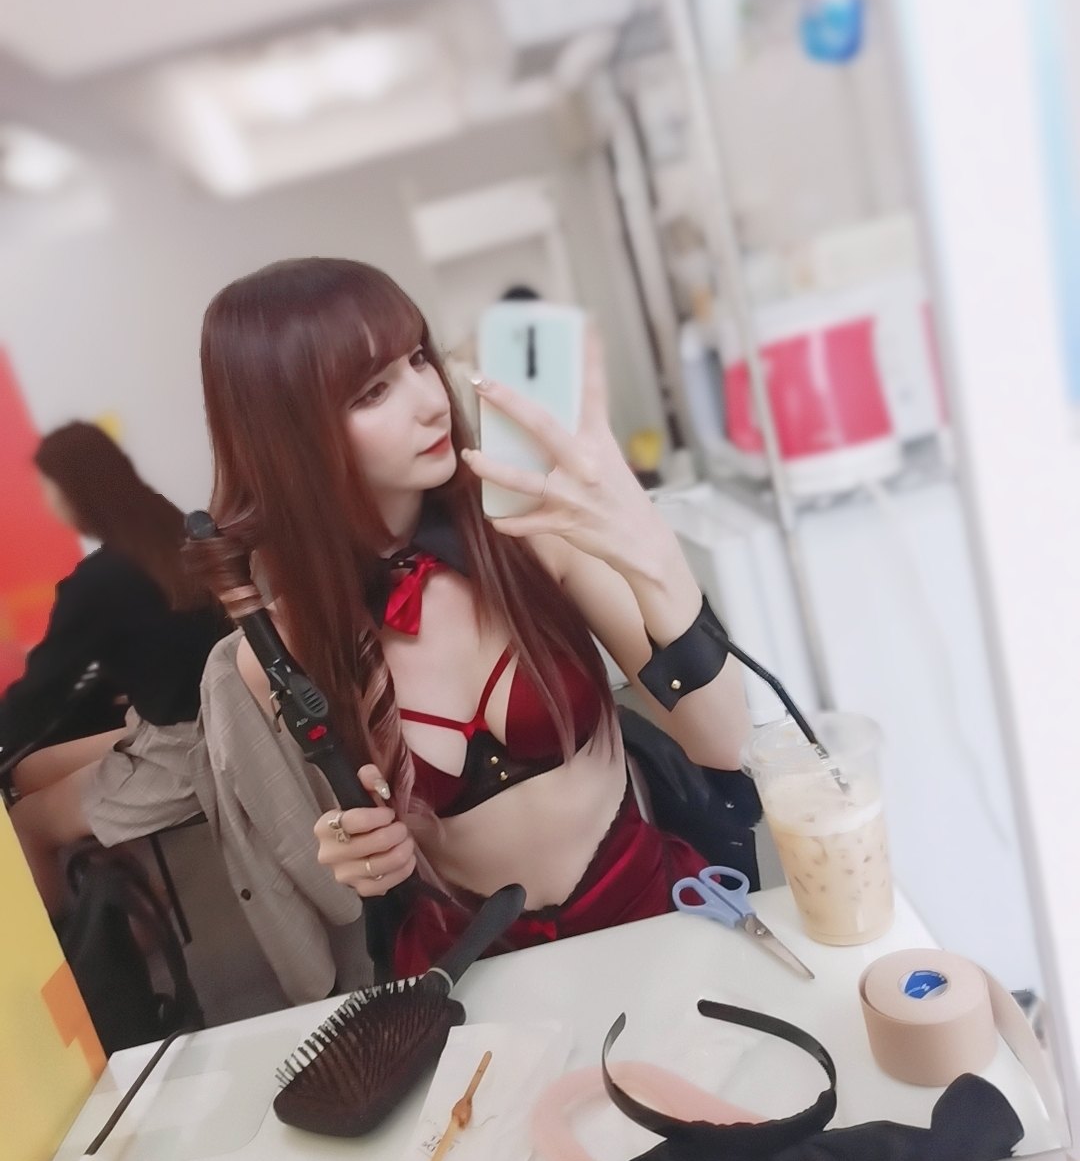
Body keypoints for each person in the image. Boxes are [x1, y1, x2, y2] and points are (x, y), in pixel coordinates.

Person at [194, 258, 750, 976]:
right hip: (475, 969)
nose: (431, 401)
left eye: (417, 359)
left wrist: (651, 549)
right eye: (372, 392)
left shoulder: (533, 532)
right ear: (287, 438)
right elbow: (360, 830)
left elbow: (724, 741)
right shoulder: (281, 645)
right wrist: (355, 850)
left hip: (651, 919)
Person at [2, 423, 225, 915]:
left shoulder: (98, 583)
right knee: (29, 770)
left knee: (26, 823)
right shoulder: (178, 526)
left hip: (185, 749)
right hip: (208, 719)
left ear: (75, 493)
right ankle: (145, 905)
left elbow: (43, 690)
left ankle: (79, 955)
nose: (47, 504)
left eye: (48, 491)